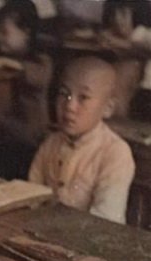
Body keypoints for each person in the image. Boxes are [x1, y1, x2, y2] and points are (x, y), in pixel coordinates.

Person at [29, 56, 135, 224]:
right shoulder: (51, 143)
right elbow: (31, 195)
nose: (69, 106)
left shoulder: (115, 153)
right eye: (64, 94)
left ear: (107, 108)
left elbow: (105, 220)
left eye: (83, 97)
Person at [0, 0, 53, 179]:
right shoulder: (8, 58)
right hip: (11, 134)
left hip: (30, 138)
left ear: (26, 33)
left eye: (5, 32)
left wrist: (9, 63)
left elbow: (39, 77)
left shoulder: (41, 60)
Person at [100, 0, 151, 107]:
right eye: (115, 15)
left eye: (123, 14)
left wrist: (122, 43)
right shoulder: (114, 34)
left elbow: (144, 49)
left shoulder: (142, 32)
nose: (118, 20)